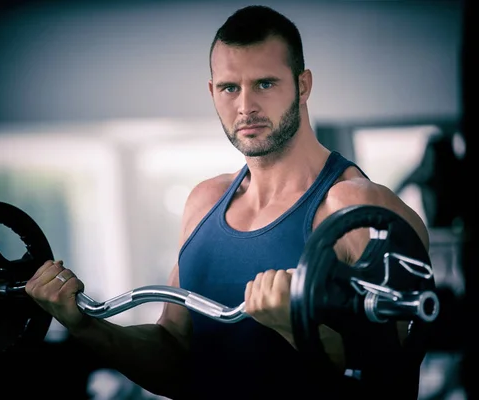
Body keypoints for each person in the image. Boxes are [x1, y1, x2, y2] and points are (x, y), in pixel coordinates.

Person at [26, 5, 430, 399]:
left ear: (303, 85)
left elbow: (392, 376)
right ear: (212, 91)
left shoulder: (356, 208)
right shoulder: (204, 202)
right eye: (229, 87)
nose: (245, 106)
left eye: (265, 84)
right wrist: (85, 325)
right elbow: (174, 354)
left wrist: (295, 326)